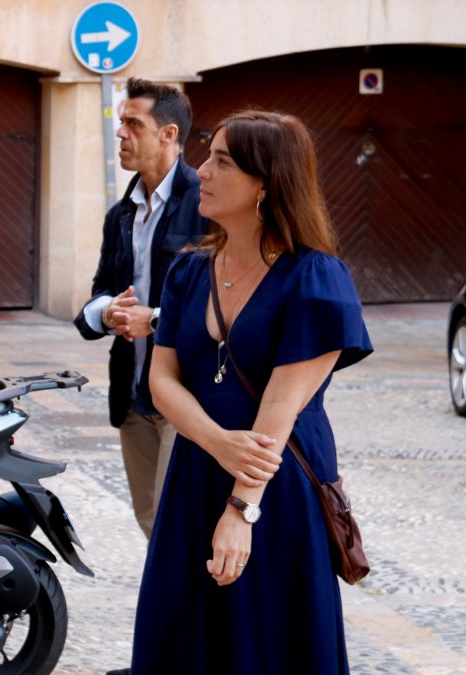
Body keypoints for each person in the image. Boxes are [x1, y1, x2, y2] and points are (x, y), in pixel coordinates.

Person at [132, 110, 372, 673]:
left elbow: (279, 410)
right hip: (195, 477)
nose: (200, 171)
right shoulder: (188, 272)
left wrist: (241, 511)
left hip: (274, 491)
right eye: (206, 156)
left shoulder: (317, 279)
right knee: (183, 636)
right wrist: (217, 442)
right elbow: (161, 380)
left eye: (221, 161)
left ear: (266, 182)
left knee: (266, 641)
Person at [73, 78, 208, 539]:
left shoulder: (206, 207)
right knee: (153, 526)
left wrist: (152, 319)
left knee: (183, 530)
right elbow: (97, 296)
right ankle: (169, 613)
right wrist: (108, 312)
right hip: (132, 398)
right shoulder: (122, 215)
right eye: (120, 122)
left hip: (187, 398)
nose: (121, 134)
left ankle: (197, 612)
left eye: (133, 123)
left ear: (168, 134)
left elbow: (224, 311)